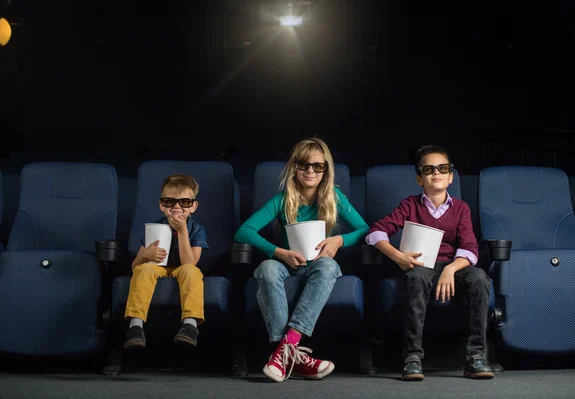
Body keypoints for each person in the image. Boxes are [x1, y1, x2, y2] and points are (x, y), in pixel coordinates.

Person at [234, 137, 369, 382]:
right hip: (287, 264)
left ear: (326, 170)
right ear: (294, 167)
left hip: (318, 265)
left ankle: (286, 347)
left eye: (317, 166)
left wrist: (339, 241)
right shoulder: (283, 199)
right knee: (267, 268)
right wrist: (278, 252)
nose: (310, 171)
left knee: (328, 265)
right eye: (304, 164)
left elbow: (364, 230)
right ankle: (290, 355)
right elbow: (244, 231)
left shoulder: (334, 197)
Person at [365, 145, 494, 381]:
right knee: (416, 277)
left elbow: (470, 248)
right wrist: (397, 256)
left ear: (450, 177)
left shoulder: (460, 208)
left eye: (442, 168)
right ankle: (412, 357)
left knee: (480, 278)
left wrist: (451, 269)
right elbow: (375, 233)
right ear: (419, 178)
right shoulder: (410, 205)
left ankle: (476, 356)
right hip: (421, 265)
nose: (436, 173)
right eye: (429, 169)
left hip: (453, 265)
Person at [123, 174, 208, 350]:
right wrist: (145, 254)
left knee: (193, 272)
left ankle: (190, 325)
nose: (177, 207)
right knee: (144, 269)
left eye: (184, 202)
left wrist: (183, 231)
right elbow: (134, 267)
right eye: (170, 202)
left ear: (193, 206)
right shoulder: (155, 227)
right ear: (162, 205)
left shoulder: (197, 230)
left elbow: (190, 263)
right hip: (158, 268)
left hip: (183, 268)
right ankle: (135, 327)